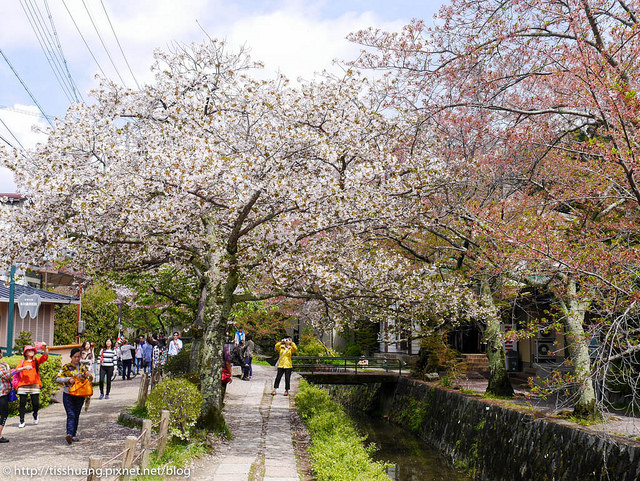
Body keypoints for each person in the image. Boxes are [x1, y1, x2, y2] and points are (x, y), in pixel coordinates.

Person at [56, 347, 93, 444]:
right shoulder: (66, 367)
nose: (76, 359)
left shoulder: (83, 367)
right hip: (68, 394)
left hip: (80, 394)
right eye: (74, 357)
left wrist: (88, 375)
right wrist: (68, 379)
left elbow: (88, 379)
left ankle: (73, 434)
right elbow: (58, 379)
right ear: (71, 357)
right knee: (71, 414)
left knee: (76, 414)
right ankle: (69, 434)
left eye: (78, 357)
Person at [15, 343, 49, 428]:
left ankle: (35, 414)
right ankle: (22, 420)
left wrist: (45, 348)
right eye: (29, 350)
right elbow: (17, 370)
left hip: (35, 385)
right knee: (22, 404)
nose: (31, 352)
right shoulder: (22, 361)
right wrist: (24, 368)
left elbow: (45, 356)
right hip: (23, 385)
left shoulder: (36, 361)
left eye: (32, 350)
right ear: (25, 353)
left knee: (35, 403)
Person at [0, 350, 12, 443]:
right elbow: (7, 376)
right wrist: (8, 367)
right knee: (4, 413)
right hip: (2, 394)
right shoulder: (1, 367)